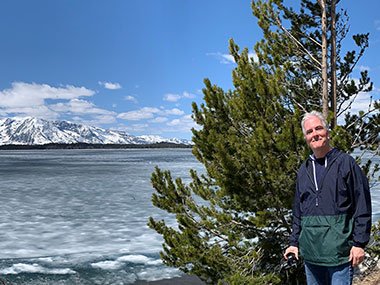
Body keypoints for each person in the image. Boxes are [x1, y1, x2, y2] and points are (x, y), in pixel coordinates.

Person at [284, 111, 372, 285]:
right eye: (309, 132)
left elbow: (362, 204)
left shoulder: (345, 163)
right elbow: (298, 211)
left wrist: (359, 243)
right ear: (306, 138)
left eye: (318, 128)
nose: (314, 134)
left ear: (327, 132)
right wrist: (293, 242)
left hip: (340, 255)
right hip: (311, 256)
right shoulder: (304, 170)